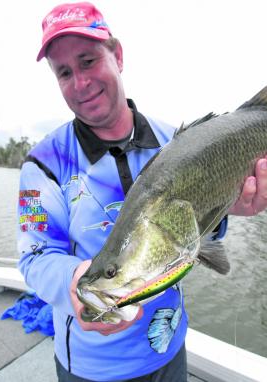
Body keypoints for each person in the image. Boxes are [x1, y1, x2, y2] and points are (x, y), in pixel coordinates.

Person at [18, 2, 267, 381]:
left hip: (169, 350)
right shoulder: (41, 165)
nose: (80, 82)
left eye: (87, 60)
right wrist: (75, 280)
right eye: (64, 72)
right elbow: (34, 258)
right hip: (88, 369)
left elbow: (200, 232)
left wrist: (231, 210)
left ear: (117, 55)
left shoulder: (174, 140)